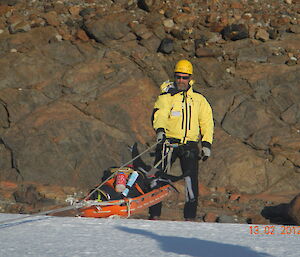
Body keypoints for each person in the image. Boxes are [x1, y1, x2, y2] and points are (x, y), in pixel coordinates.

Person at [149, 59, 214, 221]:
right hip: (168, 143)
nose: (181, 81)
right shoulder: (167, 96)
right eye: (178, 77)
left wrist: (206, 144)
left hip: (190, 145)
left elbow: (206, 122)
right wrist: (160, 131)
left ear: (190, 78)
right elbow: (160, 114)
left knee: (191, 181)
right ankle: (154, 215)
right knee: (158, 178)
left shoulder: (199, 100)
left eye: (184, 77)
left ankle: (189, 218)